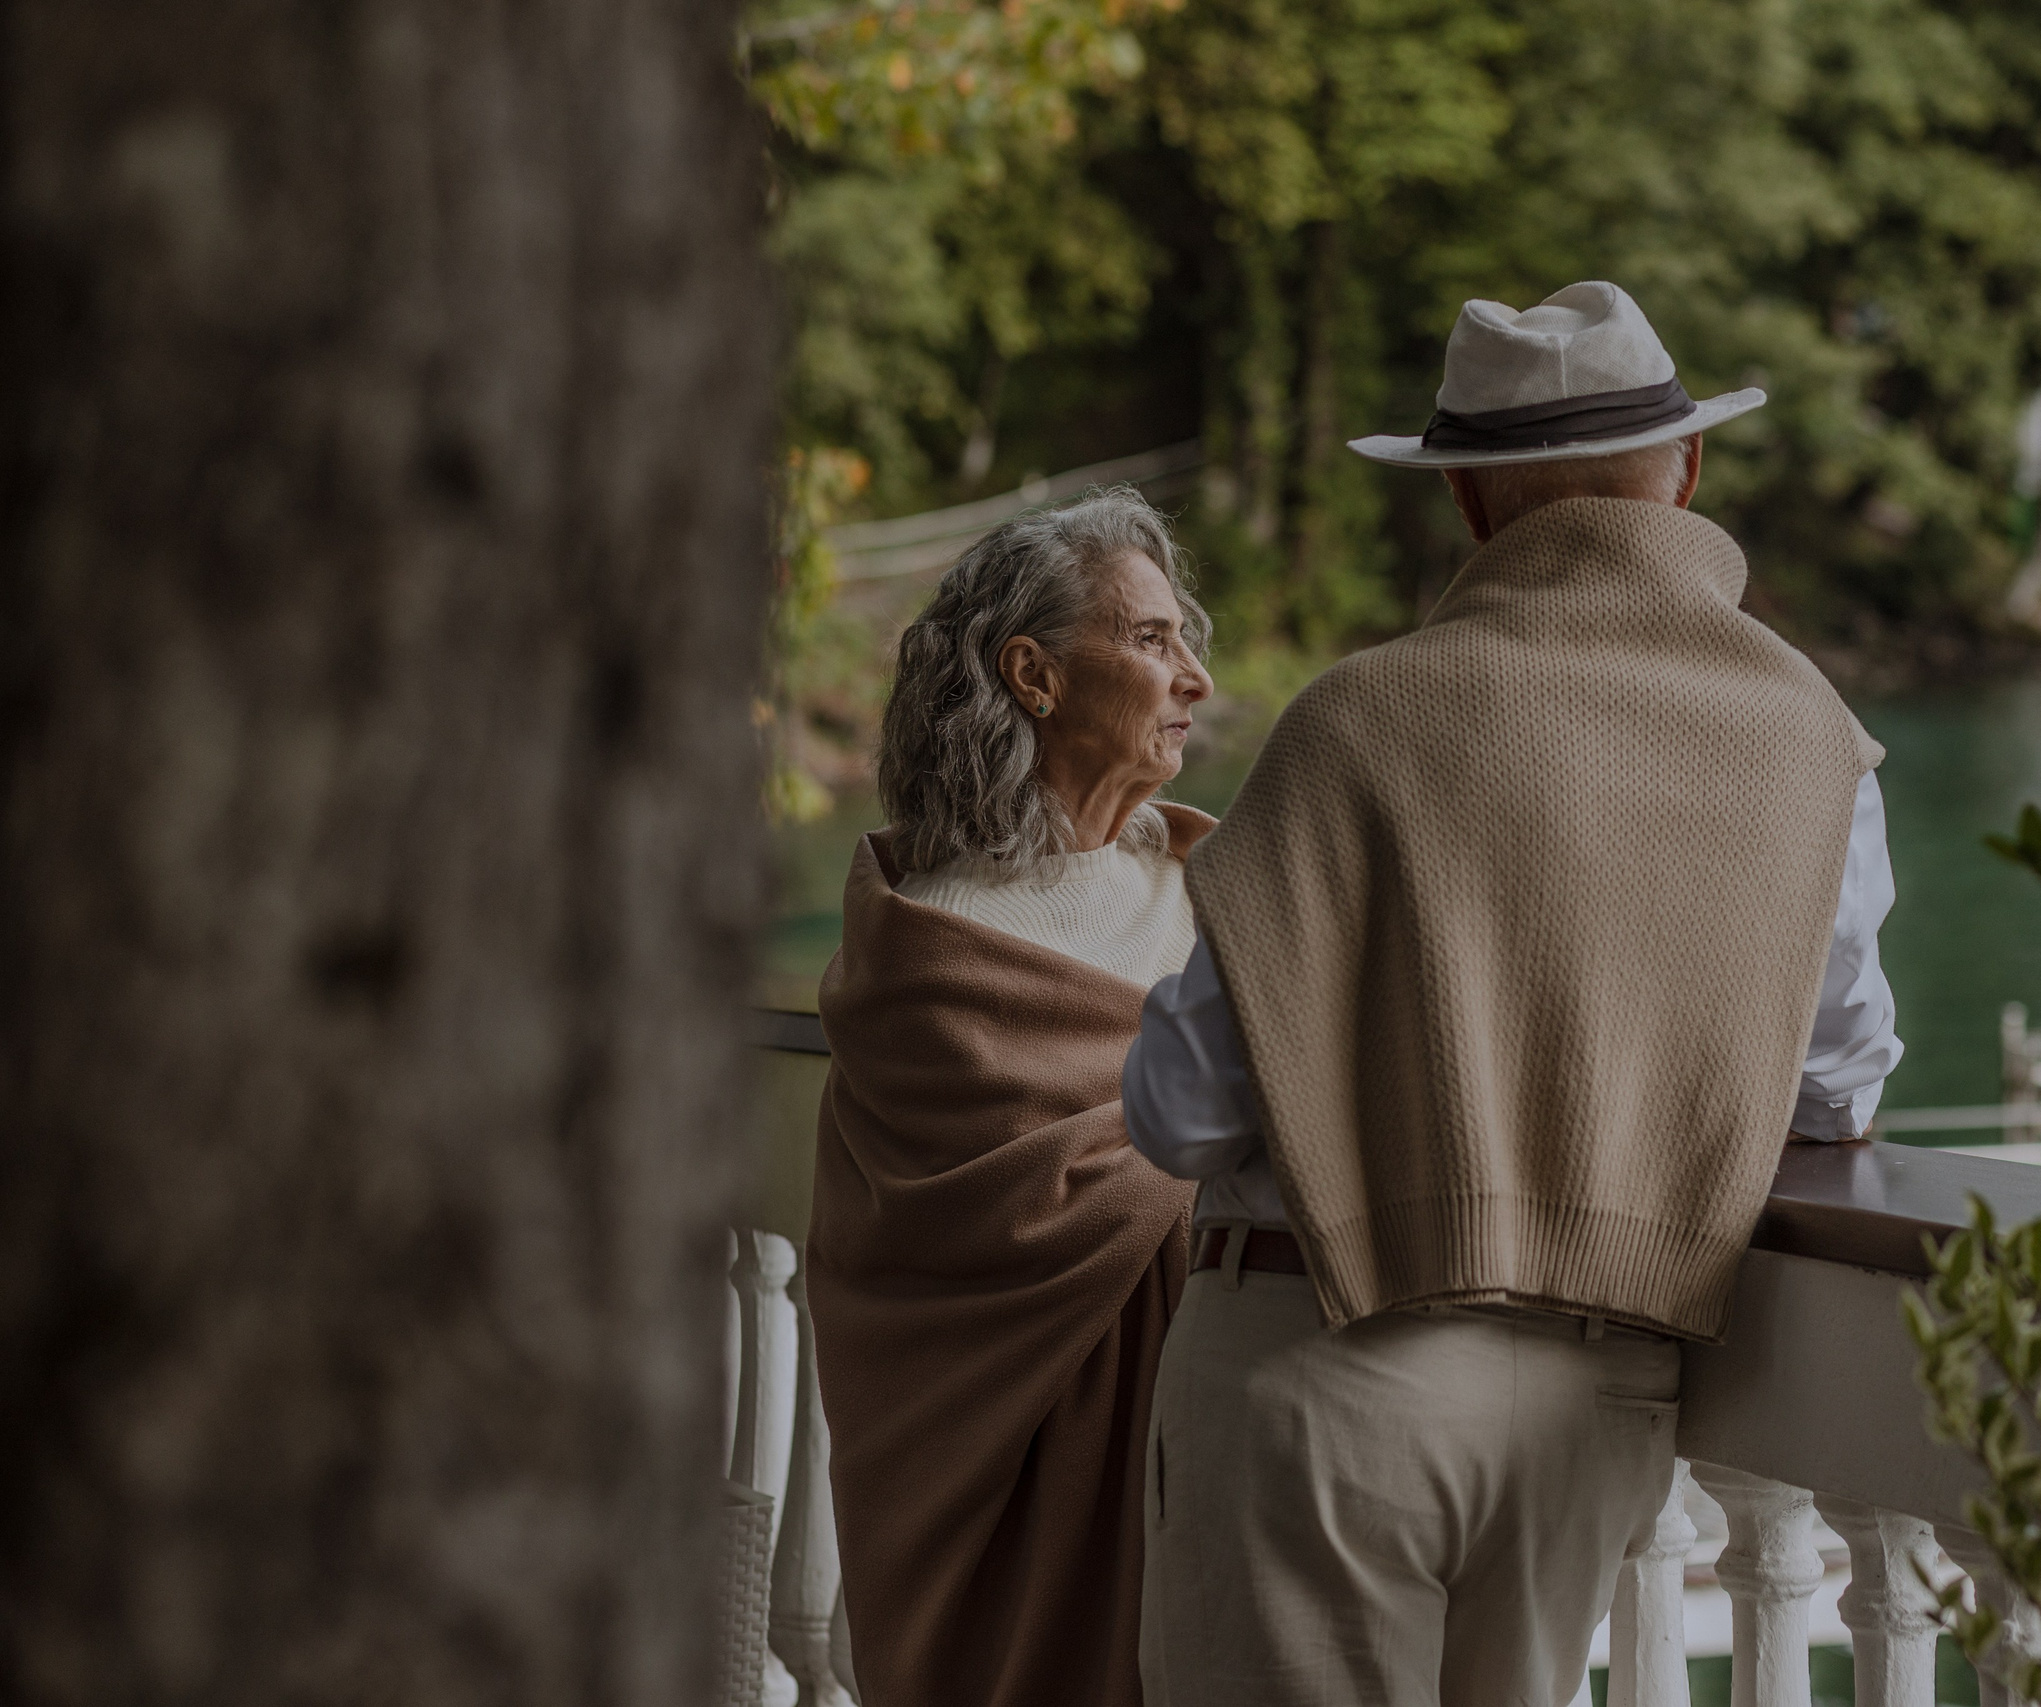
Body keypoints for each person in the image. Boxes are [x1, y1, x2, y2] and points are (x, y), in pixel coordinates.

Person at [1124, 282, 1903, 1706]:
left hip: (1324, 1369)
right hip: (1595, 1396)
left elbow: (1180, 1111)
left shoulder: (1356, 720)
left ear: (1470, 506)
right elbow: (1839, 1084)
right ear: (1688, 473)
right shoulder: (1811, 742)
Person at [803, 487, 1215, 1707]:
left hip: (1203, 1459)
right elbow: (959, 1249)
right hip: (979, 1497)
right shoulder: (931, 957)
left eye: (1186, 638)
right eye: (1150, 640)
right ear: (1032, 675)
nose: (1193, 676)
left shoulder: (1211, 884)